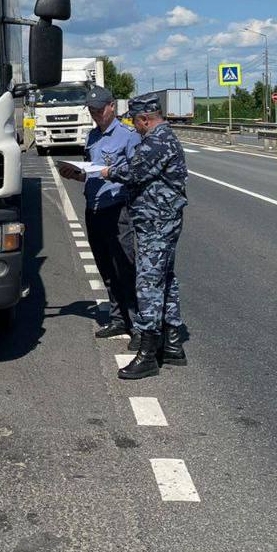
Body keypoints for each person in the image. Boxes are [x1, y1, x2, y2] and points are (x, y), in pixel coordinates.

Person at [94, 94, 189, 380]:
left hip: (156, 222)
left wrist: (108, 170)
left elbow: (135, 172)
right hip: (163, 219)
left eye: (135, 122)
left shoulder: (157, 141)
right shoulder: (164, 137)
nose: (134, 127)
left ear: (146, 119)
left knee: (147, 281)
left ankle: (148, 352)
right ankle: (172, 345)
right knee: (165, 279)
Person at [57, 86, 140, 340]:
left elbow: (136, 175)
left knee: (124, 267)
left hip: (117, 209)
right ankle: (117, 318)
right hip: (93, 208)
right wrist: (76, 174)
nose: (95, 114)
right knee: (105, 267)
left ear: (112, 106)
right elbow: (92, 172)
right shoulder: (92, 136)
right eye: (91, 110)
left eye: (99, 110)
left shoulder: (128, 136)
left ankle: (137, 324)